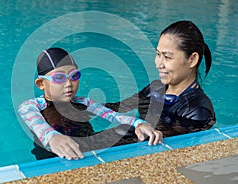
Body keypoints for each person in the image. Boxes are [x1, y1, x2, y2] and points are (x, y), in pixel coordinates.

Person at [18, 47, 163, 160]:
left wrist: (138, 123)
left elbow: (113, 116)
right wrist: (52, 138)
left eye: (74, 76)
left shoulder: (84, 102)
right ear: (41, 84)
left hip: (87, 146)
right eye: (59, 78)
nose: (69, 84)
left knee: (128, 129)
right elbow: (33, 120)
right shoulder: (31, 106)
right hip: (55, 155)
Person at [105, 20, 216, 137]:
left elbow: (170, 144)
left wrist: (138, 124)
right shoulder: (155, 88)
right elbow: (119, 107)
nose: (159, 64)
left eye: (167, 57)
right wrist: (88, 105)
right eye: (158, 55)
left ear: (192, 60)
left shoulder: (198, 111)